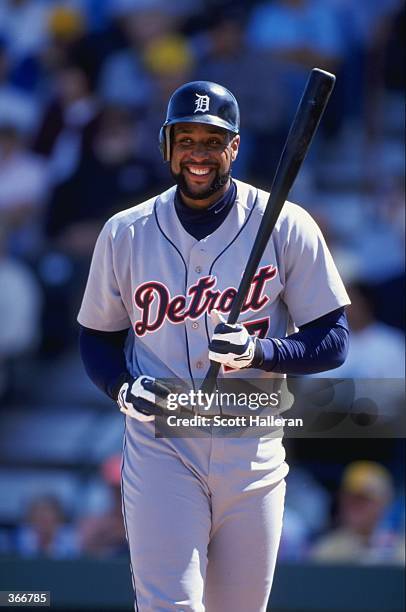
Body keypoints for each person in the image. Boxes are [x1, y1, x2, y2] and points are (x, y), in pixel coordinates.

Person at [78, 81, 350, 611]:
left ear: (234, 147)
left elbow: (333, 339)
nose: (197, 154)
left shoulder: (286, 223)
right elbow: (97, 338)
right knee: (169, 605)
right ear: (166, 146)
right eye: (186, 140)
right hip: (163, 442)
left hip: (252, 442)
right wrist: (120, 386)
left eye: (211, 140)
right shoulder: (125, 232)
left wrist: (261, 353)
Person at [310, 461, 405, 565]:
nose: (353, 505)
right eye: (348, 498)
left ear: (384, 502)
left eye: (363, 499)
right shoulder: (327, 548)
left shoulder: (400, 550)